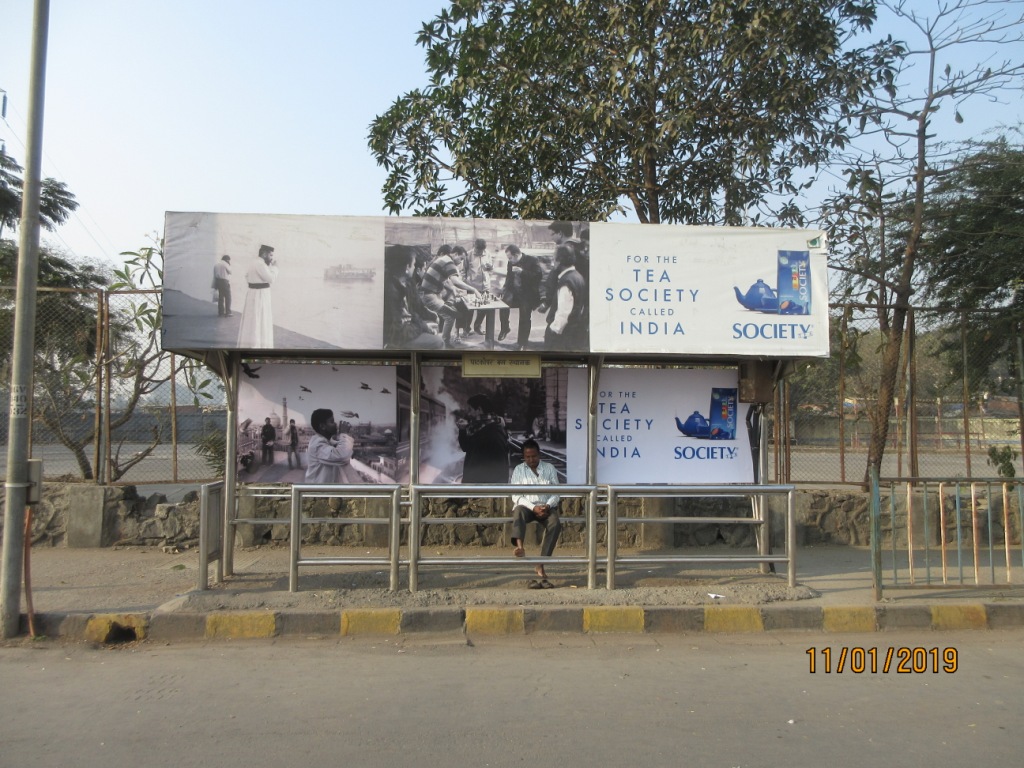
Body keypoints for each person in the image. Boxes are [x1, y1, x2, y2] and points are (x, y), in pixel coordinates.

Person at [509, 439, 561, 588]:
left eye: (534, 456)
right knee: (518, 510)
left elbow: (557, 492)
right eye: (528, 457)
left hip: (546, 506)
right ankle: (520, 547)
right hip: (527, 507)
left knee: (555, 523)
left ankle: (541, 563)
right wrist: (533, 508)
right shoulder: (518, 470)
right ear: (524, 457)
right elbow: (516, 496)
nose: (531, 459)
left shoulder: (549, 468)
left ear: (539, 455)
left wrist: (547, 505)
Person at [418, 244, 479, 349]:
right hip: (428, 295)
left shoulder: (444, 259)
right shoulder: (449, 261)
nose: (461, 262)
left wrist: (453, 289)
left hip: (432, 294)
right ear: (455, 254)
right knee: (450, 316)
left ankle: (444, 340)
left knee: (451, 312)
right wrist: (474, 289)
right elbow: (455, 281)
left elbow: (445, 281)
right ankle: (445, 343)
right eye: (461, 258)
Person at [383, 244, 443, 349]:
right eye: (414, 264)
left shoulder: (408, 283)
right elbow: (396, 331)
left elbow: (417, 307)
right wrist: (423, 327)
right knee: (439, 342)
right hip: (397, 339)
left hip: (409, 327)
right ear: (407, 267)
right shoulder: (389, 291)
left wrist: (432, 318)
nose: (414, 267)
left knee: (434, 325)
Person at [543, 243, 587, 351]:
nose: (553, 262)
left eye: (554, 258)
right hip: (572, 331)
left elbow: (563, 312)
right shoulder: (577, 276)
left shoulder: (566, 281)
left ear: (559, 261)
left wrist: (553, 331)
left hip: (561, 336)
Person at [498, 244, 543, 349]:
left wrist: (522, 272)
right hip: (513, 291)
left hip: (527, 293)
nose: (509, 260)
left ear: (517, 255)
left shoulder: (532, 260)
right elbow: (509, 277)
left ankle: (522, 343)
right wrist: (504, 289)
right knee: (502, 304)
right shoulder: (511, 263)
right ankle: (505, 328)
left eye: (510, 258)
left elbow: (538, 276)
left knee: (525, 317)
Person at [457, 394, 509, 483]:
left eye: (470, 410)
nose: (468, 413)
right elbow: (466, 447)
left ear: (479, 409)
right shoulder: (480, 429)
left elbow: (498, 470)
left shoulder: (493, 433)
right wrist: (462, 430)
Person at [236, 244, 278, 348]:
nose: (271, 258)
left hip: (252, 293)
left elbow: (246, 275)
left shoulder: (253, 263)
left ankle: (250, 344)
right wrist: (275, 268)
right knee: (260, 318)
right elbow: (271, 279)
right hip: (261, 295)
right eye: (270, 255)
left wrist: (254, 282)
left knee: (252, 319)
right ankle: (259, 345)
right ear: (264, 254)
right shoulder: (260, 264)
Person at [304, 408, 361, 484]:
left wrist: (349, 449)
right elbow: (341, 456)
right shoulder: (317, 444)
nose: (335, 424)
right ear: (322, 426)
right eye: (332, 422)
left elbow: (333, 445)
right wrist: (344, 434)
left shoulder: (322, 441)